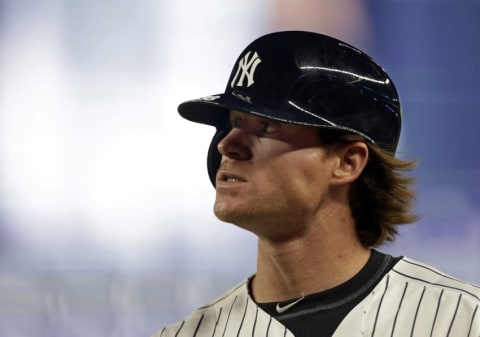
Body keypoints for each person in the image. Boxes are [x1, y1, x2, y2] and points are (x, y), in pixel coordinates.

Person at [152, 31, 480, 337]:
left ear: (347, 162)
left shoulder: (463, 319)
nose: (227, 144)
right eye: (234, 123)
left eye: (266, 126)